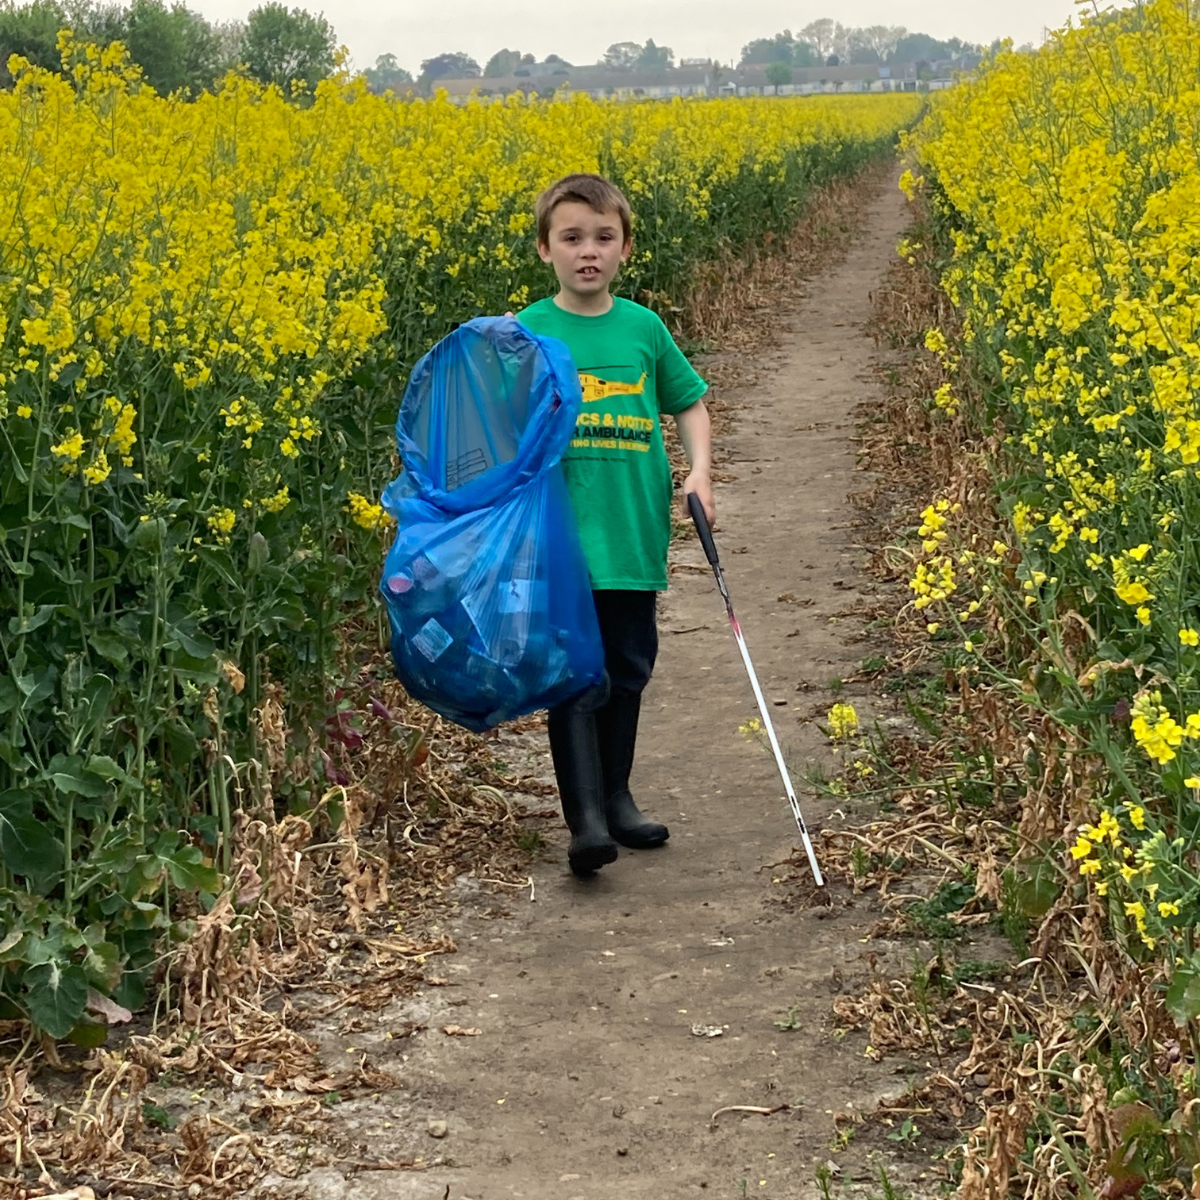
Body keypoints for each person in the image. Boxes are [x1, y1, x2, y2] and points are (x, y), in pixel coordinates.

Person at [517, 173, 715, 878]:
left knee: (627, 669)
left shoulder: (643, 329)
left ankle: (620, 797)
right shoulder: (527, 333)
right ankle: (587, 823)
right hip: (560, 541)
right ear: (546, 249)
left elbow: (689, 404)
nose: (588, 252)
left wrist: (699, 471)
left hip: (632, 533)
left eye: (603, 237)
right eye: (572, 238)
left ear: (625, 247)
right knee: (576, 675)